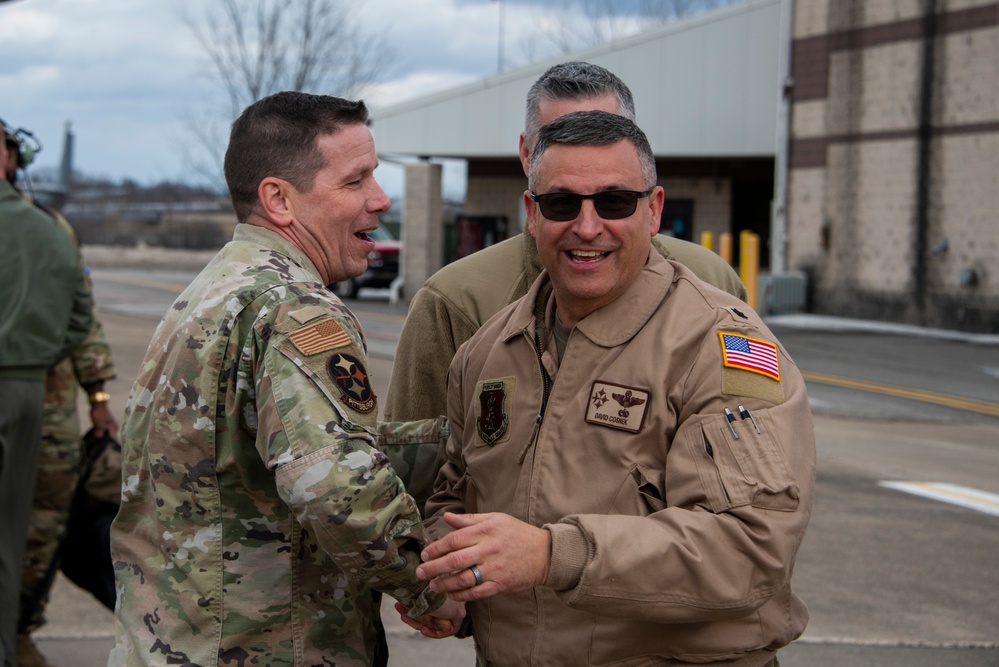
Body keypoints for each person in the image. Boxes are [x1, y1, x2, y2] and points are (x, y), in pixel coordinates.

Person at [409, 111, 816, 667]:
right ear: (532, 215)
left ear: (653, 210)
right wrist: (452, 577)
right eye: (561, 204)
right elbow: (453, 494)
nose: (587, 225)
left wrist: (555, 554)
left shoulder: (717, 348)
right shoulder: (486, 352)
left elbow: (750, 547)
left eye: (615, 202)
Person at [107, 92, 463, 667]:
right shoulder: (294, 307)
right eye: (356, 181)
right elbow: (334, 485)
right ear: (279, 199)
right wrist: (428, 585)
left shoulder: (217, 287)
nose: (381, 198)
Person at [383, 61, 747, 507]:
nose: (588, 225)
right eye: (558, 139)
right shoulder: (456, 301)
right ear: (526, 155)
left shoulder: (712, 283)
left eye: (604, 135)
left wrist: (557, 555)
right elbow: (419, 481)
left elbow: (743, 515)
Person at [3, 124, 119, 667]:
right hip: (26, 392)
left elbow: (82, 314)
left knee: (42, 522)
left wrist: (97, 397)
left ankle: (20, 627)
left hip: (47, 402)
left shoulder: (50, 228)